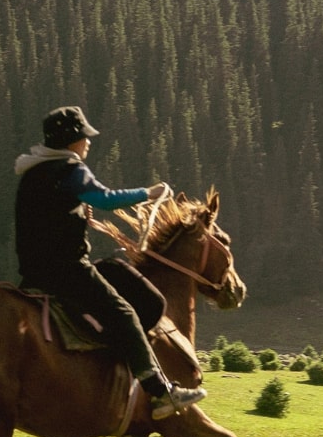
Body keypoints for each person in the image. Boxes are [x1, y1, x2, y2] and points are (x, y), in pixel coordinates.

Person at [14, 106, 208, 420]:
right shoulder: (69, 168)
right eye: (83, 137)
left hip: (35, 271)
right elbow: (106, 198)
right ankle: (160, 393)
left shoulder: (34, 171)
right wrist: (150, 192)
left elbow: (46, 217)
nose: (88, 142)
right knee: (124, 313)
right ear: (70, 140)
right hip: (66, 269)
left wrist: (75, 212)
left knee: (117, 271)